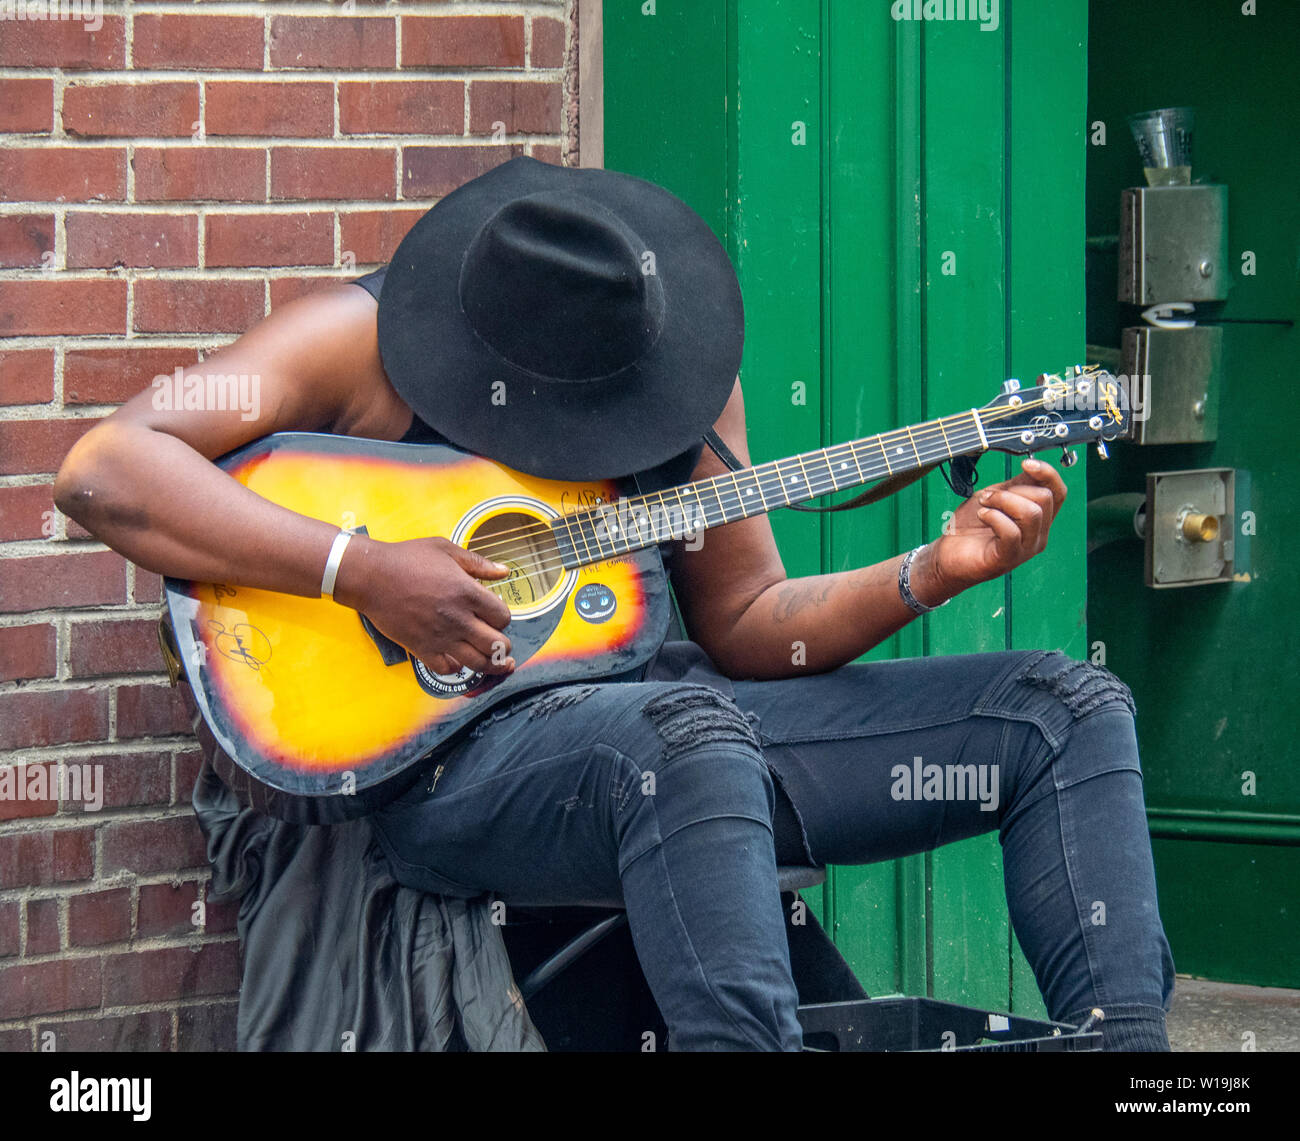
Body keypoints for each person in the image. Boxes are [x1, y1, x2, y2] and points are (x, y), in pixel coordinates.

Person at [55, 155, 1175, 1051]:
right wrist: (363, 569)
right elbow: (106, 467)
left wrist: (927, 576)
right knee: (687, 740)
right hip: (443, 757)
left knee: (1060, 707)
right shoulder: (363, 339)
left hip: (658, 728)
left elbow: (748, 621)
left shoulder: (672, 370)